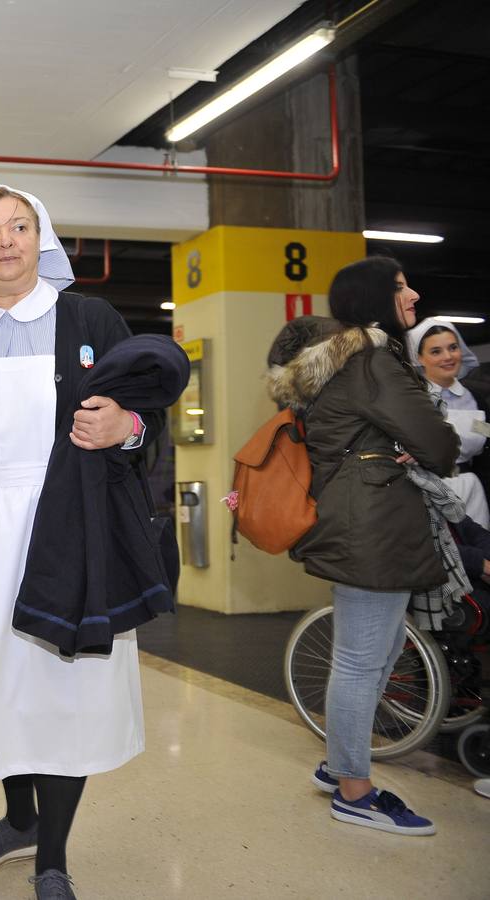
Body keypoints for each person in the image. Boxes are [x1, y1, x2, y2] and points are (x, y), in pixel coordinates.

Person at [0, 185, 175, 900]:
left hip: (72, 524)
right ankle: (18, 820)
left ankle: (52, 855)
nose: (7, 240)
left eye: (19, 225)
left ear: (40, 237)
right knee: (2, 687)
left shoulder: (89, 318)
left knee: (63, 690)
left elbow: (145, 412)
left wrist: (128, 427)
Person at [265, 257, 458, 836]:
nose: (414, 293)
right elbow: (439, 444)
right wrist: (421, 442)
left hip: (363, 519)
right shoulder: (372, 362)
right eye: (402, 287)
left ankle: (337, 766)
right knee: (360, 658)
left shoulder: (349, 364)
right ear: (377, 297)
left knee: (375, 649)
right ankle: (354, 790)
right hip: (371, 525)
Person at [407, 319, 489, 526]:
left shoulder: (476, 398)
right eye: (436, 351)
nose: (447, 357)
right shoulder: (412, 400)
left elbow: (487, 441)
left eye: (453, 348)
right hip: (428, 492)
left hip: (473, 491)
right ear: (419, 358)